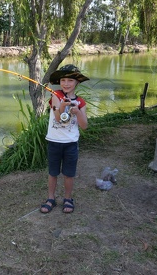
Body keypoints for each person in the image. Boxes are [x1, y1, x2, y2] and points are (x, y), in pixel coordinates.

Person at [40, 64, 89, 214]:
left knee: (69, 174)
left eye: (70, 80)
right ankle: (50, 198)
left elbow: (84, 125)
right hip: (54, 142)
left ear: (77, 83)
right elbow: (58, 117)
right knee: (53, 173)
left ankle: (68, 198)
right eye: (63, 80)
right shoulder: (56, 95)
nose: (66, 84)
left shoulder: (81, 102)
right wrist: (62, 107)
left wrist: (77, 111)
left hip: (71, 144)